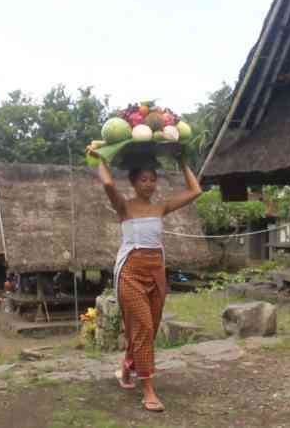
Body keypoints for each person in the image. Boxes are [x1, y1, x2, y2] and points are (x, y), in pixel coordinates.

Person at [87, 146, 202, 412]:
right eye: (143, 179)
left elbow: (195, 191)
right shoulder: (124, 206)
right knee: (146, 327)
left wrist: (183, 161)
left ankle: (127, 368)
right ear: (133, 182)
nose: (149, 184)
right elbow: (106, 182)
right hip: (130, 272)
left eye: (152, 179)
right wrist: (100, 157)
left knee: (146, 328)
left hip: (156, 272)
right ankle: (148, 389)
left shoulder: (161, 207)